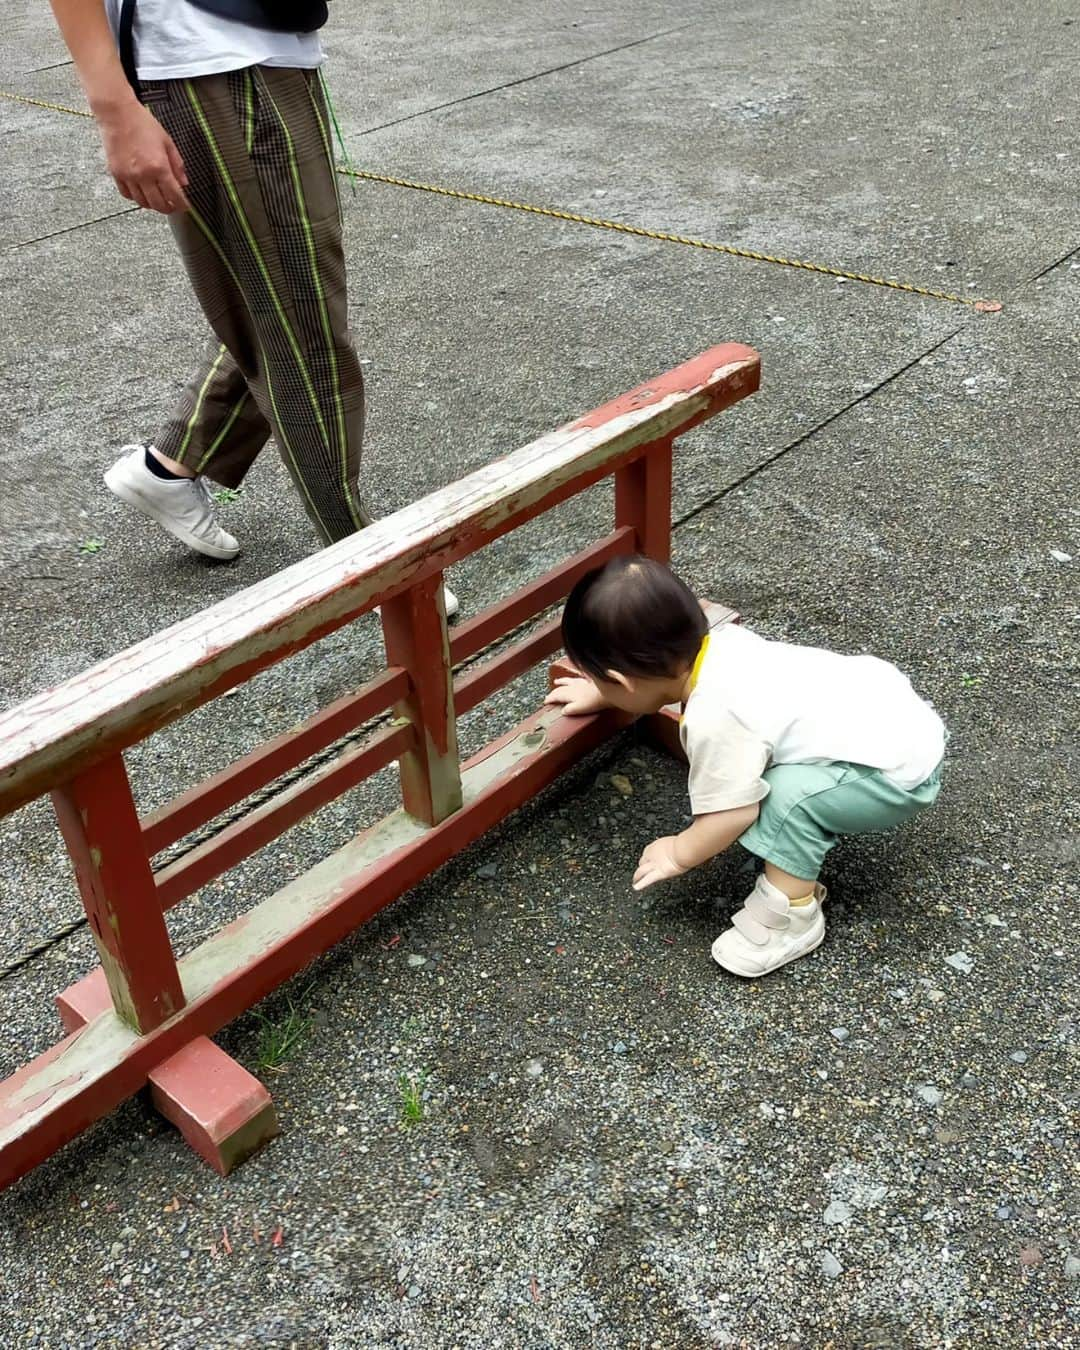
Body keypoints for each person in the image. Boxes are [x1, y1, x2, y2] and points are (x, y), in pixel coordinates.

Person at [48, 0, 458, 614]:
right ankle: (363, 558)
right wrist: (113, 107)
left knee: (280, 302)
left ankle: (171, 463)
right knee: (303, 330)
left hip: (270, 53)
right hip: (208, 70)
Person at [545, 555, 946, 977]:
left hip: (894, 778)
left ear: (624, 681)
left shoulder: (715, 719)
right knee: (780, 776)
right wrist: (606, 695)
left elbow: (733, 813)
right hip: (900, 722)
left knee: (783, 802)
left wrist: (679, 853)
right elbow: (649, 682)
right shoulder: (722, 645)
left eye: (604, 682)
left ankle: (793, 917)